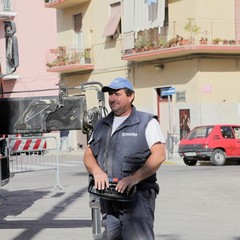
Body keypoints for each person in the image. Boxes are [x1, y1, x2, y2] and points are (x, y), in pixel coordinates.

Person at [83, 77, 166, 240]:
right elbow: (88, 154)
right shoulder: (101, 124)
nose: (112, 98)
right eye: (110, 94)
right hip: (109, 196)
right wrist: (96, 171)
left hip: (137, 197)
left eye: (117, 94)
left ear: (131, 96)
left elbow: (159, 154)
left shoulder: (146, 122)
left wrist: (135, 178)